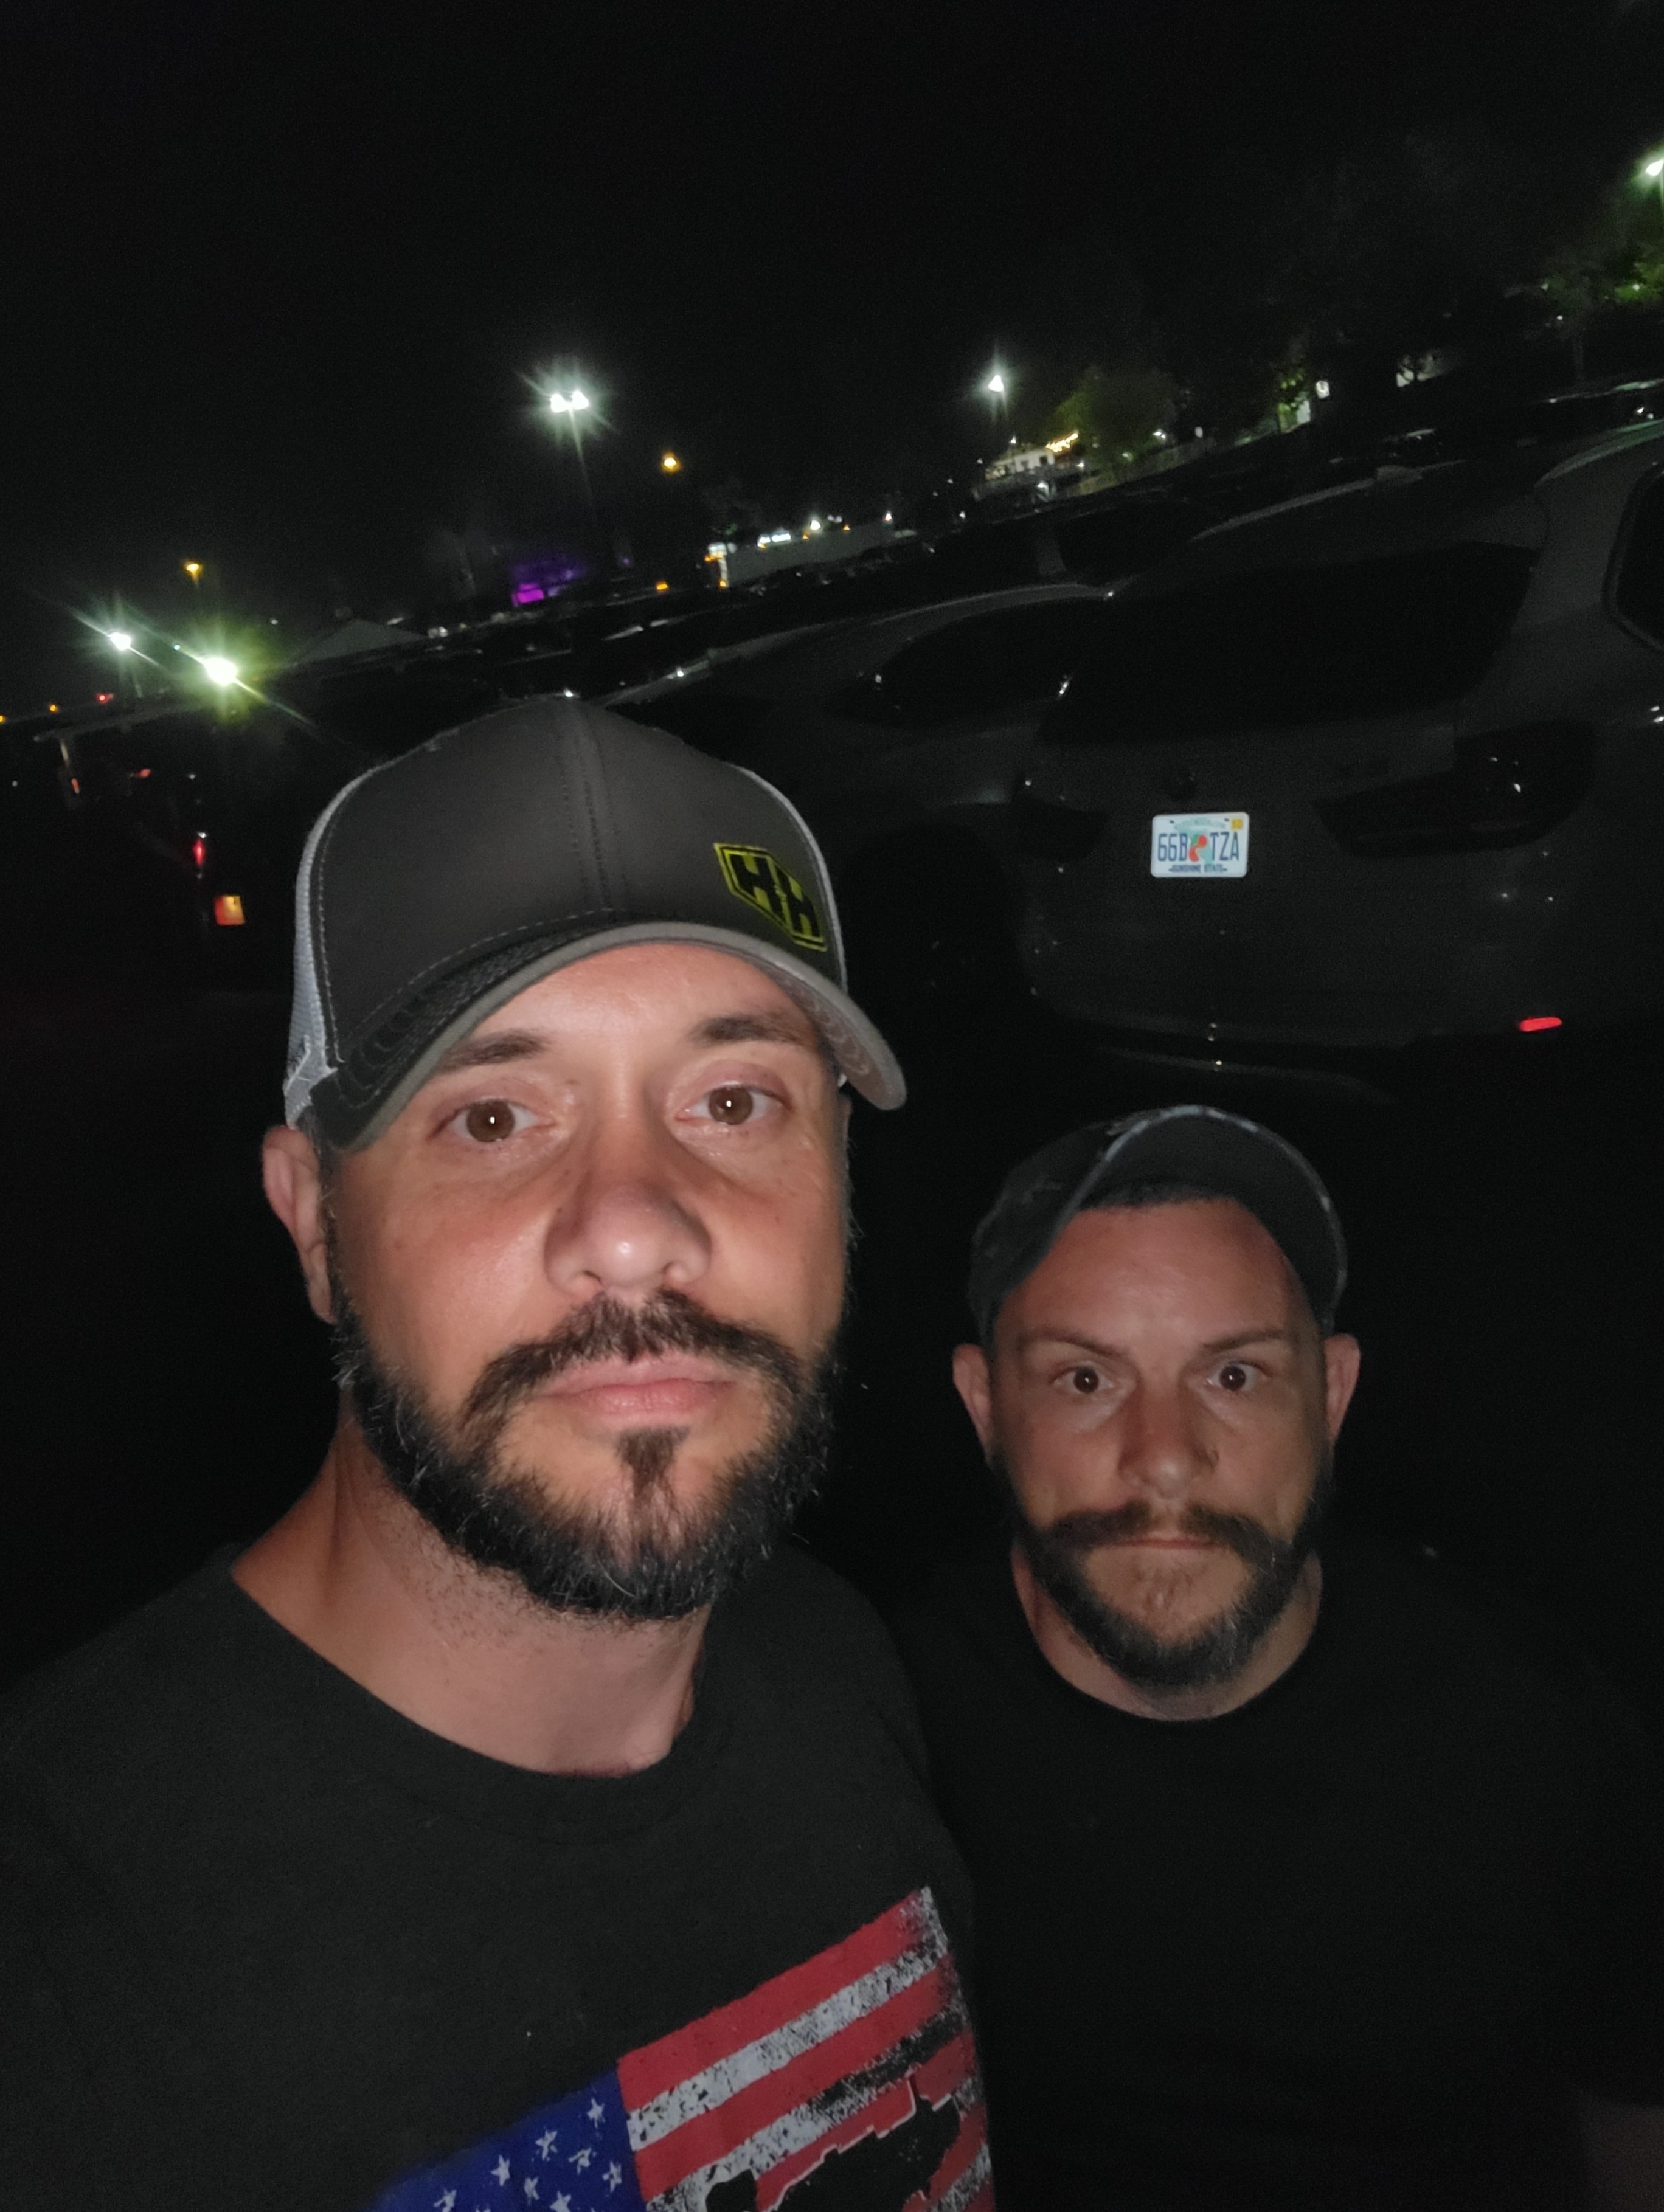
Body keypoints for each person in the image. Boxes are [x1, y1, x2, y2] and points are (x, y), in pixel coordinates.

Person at [0, 701, 991, 2212]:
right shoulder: (59, 1949)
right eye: (493, 1116)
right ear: (313, 1221)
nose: (635, 1227)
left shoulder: (836, 1662)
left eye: (734, 1101)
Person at [891, 1105, 1664, 2212]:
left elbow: (1637, 2108)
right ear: (985, 1407)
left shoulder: (1532, 1727)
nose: (1165, 1459)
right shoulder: (874, 1727)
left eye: (1236, 1376)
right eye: (1085, 1379)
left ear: (1332, 1395)